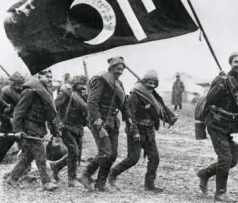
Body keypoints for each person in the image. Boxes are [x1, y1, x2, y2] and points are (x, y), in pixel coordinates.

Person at [197, 52, 238, 202]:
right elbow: (210, 99)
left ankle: (205, 173)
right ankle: (220, 193)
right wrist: (222, 84)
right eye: (235, 62)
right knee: (225, 157)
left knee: (233, 161)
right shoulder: (220, 79)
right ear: (231, 63)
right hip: (216, 123)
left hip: (233, 127)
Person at [108, 70, 177, 192]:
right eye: (149, 82)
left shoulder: (154, 95)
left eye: (154, 83)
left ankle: (149, 185)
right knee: (133, 159)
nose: (151, 85)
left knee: (154, 158)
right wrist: (134, 132)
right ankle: (113, 173)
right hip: (136, 130)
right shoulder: (135, 95)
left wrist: (169, 117)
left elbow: (158, 110)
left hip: (149, 131)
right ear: (144, 82)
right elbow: (130, 115)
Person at [79, 56, 133, 192]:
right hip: (100, 121)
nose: (120, 71)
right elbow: (92, 101)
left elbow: (124, 103)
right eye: (117, 68)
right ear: (111, 68)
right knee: (105, 152)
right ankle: (85, 175)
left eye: (122, 69)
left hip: (113, 122)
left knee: (113, 154)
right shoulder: (101, 79)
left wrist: (128, 118)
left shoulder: (119, 84)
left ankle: (100, 183)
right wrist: (97, 120)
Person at [7, 69, 59, 191]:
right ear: (39, 76)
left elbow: (50, 113)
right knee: (40, 154)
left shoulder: (44, 91)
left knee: (29, 155)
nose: (50, 79)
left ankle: (13, 178)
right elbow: (19, 111)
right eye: (47, 77)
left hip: (39, 127)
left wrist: (54, 131)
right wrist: (17, 130)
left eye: (51, 77)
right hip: (29, 127)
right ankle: (46, 183)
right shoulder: (30, 90)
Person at [50, 75, 88, 187]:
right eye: (82, 84)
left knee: (75, 153)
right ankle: (72, 179)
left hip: (78, 127)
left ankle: (56, 166)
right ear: (75, 84)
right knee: (74, 151)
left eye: (85, 84)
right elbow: (54, 108)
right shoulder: (65, 92)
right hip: (66, 126)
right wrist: (57, 123)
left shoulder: (82, 95)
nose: (84, 87)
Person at [0, 72, 25, 179]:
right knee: (3, 148)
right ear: (13, 83)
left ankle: (24, 171)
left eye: (21, 84)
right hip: (7, 125)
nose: (19, 86)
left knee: (26, 147)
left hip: (21, 125)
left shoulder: (23, 92)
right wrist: (9, 119)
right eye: (17, 84)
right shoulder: (5, 93)